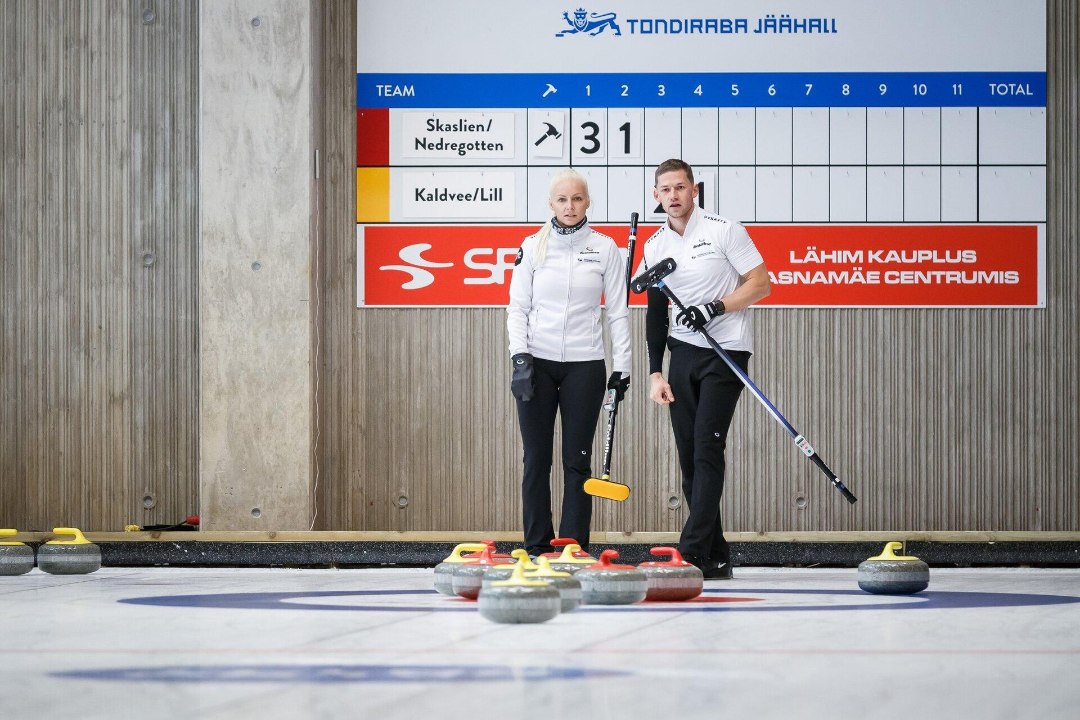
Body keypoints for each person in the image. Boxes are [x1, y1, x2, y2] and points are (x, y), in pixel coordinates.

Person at [638, 159, 771, 579]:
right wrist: (655, 371)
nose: (673, 195)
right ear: (656, 195)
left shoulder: (724, 229)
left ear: (694, 190)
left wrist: (715, 307)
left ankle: (692, 550)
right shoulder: (655, 245)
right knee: (689, 457)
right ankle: (715, 556)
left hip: (725, 351)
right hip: (682, 355)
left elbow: (761, 283)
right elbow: (655, 313)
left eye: (680, 187)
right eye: (665, 189)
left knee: (708, 447)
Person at [506, 169, 631, 556]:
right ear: (551, 204)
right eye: (562, 199)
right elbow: (517, 309)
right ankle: (538, 545)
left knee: (577, 461)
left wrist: (621, 368)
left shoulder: (606, 248)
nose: (570, 206)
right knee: (535, 459)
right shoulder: (532, 246)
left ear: (587, 202)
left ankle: (573, 546)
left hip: (585, 364)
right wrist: (520, 357)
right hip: (537, 364)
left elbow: (618, 313)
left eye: (577, 199)